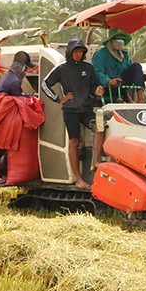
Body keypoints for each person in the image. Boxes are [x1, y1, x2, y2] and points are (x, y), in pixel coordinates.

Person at [41, 35, 105, 189]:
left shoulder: (88, 68)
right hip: (70, 110)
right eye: (75, 51)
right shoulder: (62, 69)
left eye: (81, 51)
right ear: (70, 52)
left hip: (86, 108)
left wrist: (97, 90)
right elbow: (45, 84)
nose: (78, 54)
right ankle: (78, 179)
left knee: (100, 126)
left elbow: (93, 85)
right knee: (74, 142)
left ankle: (95, 161)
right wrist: (59, 99)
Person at [0, 50, 36, 184]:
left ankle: (4, 174)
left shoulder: (8, 75)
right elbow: (18, 97)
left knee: (5, 145)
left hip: (4, 112)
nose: (26, 71)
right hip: (7, 114)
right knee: (2, 145)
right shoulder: (14, 81)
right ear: (20, 66)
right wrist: (31, 96)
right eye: (25, 67)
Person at [91, 28, 146, 103]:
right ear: (111, 40)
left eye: (122, 41)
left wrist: (145, 77)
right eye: (118, 40)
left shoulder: (124, 55)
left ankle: (141, 97)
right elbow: (97, 72)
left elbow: (132, 70)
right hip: (108, 87)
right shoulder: (100, 55)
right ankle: (128, 99)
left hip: (122, 83)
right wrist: (108, 80)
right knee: (116, 79)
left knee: (136, 66)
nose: (120, 43)